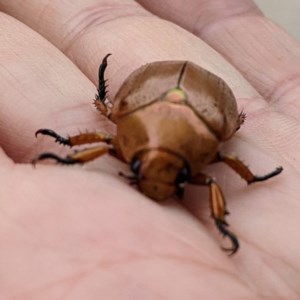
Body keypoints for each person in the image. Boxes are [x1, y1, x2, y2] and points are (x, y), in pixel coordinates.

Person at [0, 1, 298, 299]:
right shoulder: (200, 156)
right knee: (110, 126)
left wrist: (67, 151)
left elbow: (105, 142)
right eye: (175, 177)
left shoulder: (191, 147)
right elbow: (228, 154)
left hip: (178, 94)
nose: (159, 184)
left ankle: (71, 151)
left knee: (108, 120)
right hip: (192, 96)